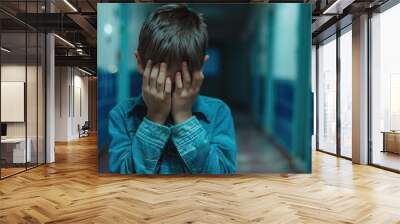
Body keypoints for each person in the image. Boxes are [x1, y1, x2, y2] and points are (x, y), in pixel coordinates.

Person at [108, 4, 237, 174]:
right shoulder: (122, 116)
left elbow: (223, 177)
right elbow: (121, 179)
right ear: (140, 62)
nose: (169, 89)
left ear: (202, 66)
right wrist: (155, 117)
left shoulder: (219, 113)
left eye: (181, 78)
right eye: (160, 77)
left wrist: (184, 117)